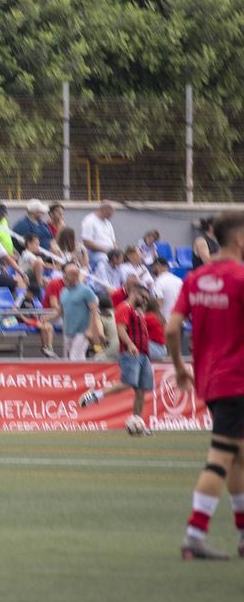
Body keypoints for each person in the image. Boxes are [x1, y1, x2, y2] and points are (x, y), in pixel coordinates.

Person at [166, 210, 244, 560]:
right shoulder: (240, 278)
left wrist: (181, 368)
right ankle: (195, 534)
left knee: (238, 458)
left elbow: (171, 329)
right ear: (239, 239)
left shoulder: (196, 278)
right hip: (237, 381)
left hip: (210, 379)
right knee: (220, 458)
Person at [79, 283, 158, 433]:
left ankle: (137, 421)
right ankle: (96, 395)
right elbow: (121, 328)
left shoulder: (138, 311)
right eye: (143, 297)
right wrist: (129, 344)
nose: (145, 301)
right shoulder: (125, 307)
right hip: (131, 353)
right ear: (134, 293)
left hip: (143, 354)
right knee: (127, 383)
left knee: (141, 390)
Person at [52, 263, 102, 361]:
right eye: (64, 274)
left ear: (76, 275)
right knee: (70, 358)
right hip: (68, 330)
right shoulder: (64, 291)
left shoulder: (87, 291)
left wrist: (90, 330)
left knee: (75, 357)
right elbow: (59, 312)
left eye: (67, 274)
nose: (65, 277)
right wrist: (46, 318)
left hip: (82, 331)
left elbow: (95, 311)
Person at [80, 201, 118, 283]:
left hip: (109, 251)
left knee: (122, 261)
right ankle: (106, 285)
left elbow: (113, 242)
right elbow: (87, 242)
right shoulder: (89, 220)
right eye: (111, 213)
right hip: (94, 253)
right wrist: (106, 250)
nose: (112, 216)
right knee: (105, 260)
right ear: (105, 210)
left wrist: (117, 252)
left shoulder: (108, 223)